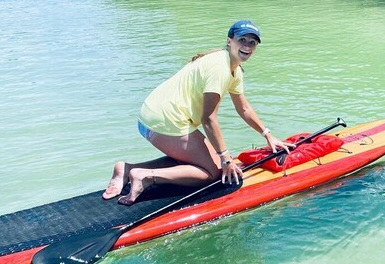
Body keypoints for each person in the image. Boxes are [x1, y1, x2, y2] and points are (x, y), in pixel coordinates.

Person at [103, 20, 292, 205]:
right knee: (213, 172)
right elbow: (208, 119)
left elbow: (243, 108)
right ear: (229, 41)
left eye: (252, 43)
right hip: (166, 121)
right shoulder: (221, 69)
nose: (247, 46)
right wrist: (225, 158)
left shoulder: (231, 67)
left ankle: (128, 170)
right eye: (242, 40)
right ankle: (145, 176)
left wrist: (268, 135)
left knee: (198, 160)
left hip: (151, 116)